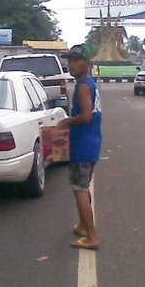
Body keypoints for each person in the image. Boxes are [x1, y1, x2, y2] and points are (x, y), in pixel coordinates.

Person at [57, 44, 102, 251]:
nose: (71, 64)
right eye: (70, 60)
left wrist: (67, 122)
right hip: (91, 142)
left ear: (88, 64)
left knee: (79, 189)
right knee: (83, 186)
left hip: (82, 144)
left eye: (76, 61)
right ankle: (83, 226)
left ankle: (92, 236)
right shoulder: (89, 83)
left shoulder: (84, 86)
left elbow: (86, 116)